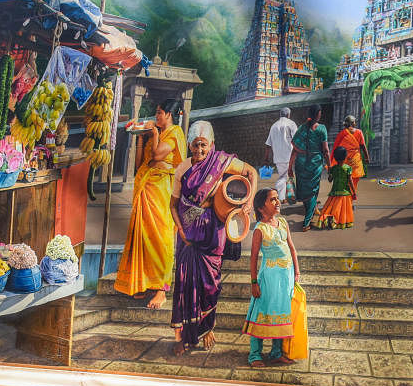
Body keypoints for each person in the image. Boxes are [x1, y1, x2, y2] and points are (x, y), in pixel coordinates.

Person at [170, 121, 257, 354]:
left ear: (212, 145)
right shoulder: (182, 169)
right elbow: (173, 204)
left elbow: (251, 172)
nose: (199, 150)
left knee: (210, 284)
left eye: (204, 145)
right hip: (187, 235)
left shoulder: (220, 162)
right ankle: (181, 337)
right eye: (196, 145)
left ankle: (207, 329)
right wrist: (179, 228)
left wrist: (249, 202)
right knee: (184, 284)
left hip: (213, 233)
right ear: (189, 145)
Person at [114, 98, 187, 309]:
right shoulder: (158, 133)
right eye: (156, 113)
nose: (156, 117)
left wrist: (153, 133)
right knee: (144, 237)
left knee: (160, 238)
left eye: (159, 113)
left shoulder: (174, 133)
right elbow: (141, 163)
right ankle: (145, 284)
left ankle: (161, 290)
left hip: (162, 190)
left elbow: (157, 155)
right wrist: (141, 138)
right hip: (147, 187)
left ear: (169, 115)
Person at [243, 188, 300, 367]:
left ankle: (276, 352)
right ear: (261, 207)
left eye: (277, 198)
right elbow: (253, 258)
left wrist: (296, 272)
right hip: (269, 278)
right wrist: (254, 282)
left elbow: (291, 248)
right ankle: (255, 355)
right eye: (272, 200)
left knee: (281, 313)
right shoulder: (260, 230)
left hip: (286, 278)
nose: (277, 202)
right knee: (263, 312)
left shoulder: (282, 223)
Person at [288, 106, 331, 232]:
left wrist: (290, 167)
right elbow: (326, 151)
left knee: (306, 192)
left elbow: (295, 150)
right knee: (312, 192)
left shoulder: (302, 128)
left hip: (301, 165)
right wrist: (330, 166)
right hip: (315, 164)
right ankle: (306, 222)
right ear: (318, 114)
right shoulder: (322, 129)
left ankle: (310, 213)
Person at [315, 146, 356, 230]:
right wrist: (354, 192)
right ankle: (337, 221)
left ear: (335, 158)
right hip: (345, 192)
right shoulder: (348, 168)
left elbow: (330, 180)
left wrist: (329, 173)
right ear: (345, 157)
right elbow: (350, 181)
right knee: (341, 210)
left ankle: (329, 218)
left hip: (334, 192)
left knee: (332, 208)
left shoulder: (333, 168)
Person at [264, 107, 297, 203]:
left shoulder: (274, 126)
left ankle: (284, 197)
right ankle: (281, 197)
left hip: (277, 157)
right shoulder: (291, 124)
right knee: (284, 177)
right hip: (289, 155)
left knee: (284, 175)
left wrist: (266, 159)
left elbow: (268, 144)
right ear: (288, 115)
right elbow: (297, 140)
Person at [332, 115, 370, 193]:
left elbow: (336, 147)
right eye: (354, 122)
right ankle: (351, 199)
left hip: (345, 160)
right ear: (352, 123)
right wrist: (367, 157)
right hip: (355, 161)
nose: (355, 123)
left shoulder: (342, 133)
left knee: (346, 181)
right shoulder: (359, 132)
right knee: (354, 181)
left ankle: (347, 201)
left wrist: (332, 161)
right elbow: (363, 145)